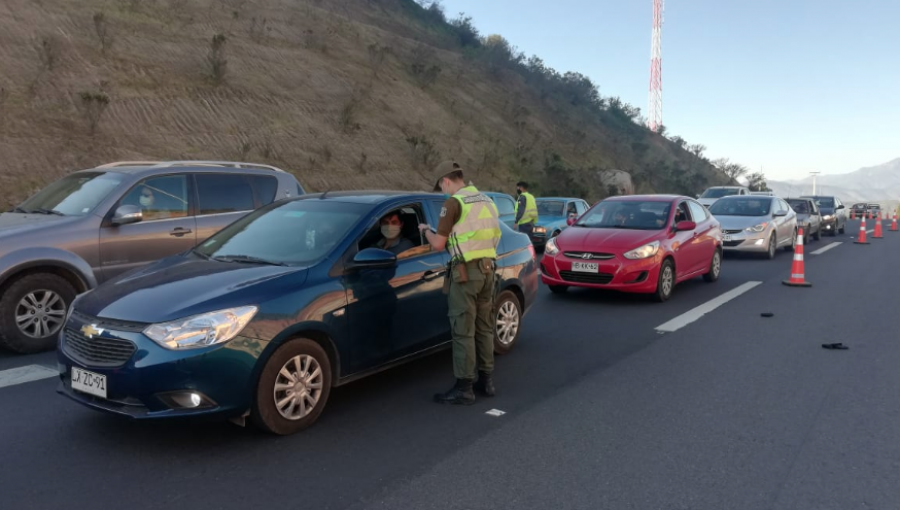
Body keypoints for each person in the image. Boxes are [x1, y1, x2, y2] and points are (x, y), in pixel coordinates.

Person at [419, 161, 502, 405]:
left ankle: (464, 387)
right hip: (488, 270)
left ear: (446, 181)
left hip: (466, 274)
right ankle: (486, 381)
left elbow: (438, 244)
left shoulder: (453, 203)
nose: (443, 191)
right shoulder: (487, 200)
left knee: (463, 329)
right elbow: (494, 235)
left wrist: (426, 230)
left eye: (442, 186)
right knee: (484, 327)